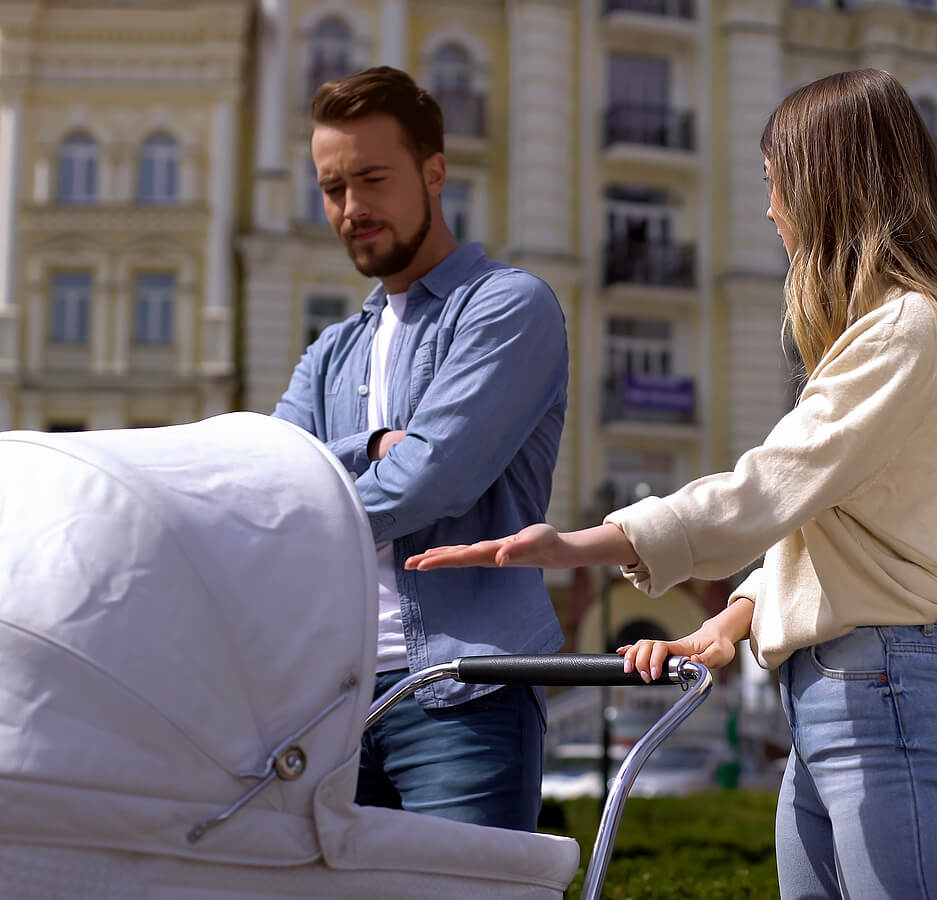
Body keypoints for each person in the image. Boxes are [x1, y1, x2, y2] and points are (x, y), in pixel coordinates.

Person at [407, 67, 937, 898]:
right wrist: (735, 621)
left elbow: (767, 489)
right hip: (859, 699)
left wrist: (585, 542)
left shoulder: (910, 330)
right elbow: (846, 529)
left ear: (829, 189)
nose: (770, 210)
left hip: (894, 699)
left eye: (778, 186)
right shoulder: (909, 331)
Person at [273, 66, 568, 833]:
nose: (351, 208)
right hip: (328, 703)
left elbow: (428, 483)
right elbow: (263, 480)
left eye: (372, 178)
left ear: (435, 172)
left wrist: (321, 484)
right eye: (332, 188)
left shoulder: (508, 306)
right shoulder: (330, 352)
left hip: (464, 691)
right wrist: (371, 444)